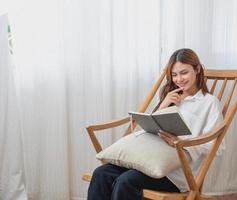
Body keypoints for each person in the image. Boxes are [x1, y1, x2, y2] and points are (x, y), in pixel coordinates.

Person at [87, 48, 224, 200]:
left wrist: (181, 143)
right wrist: (163, 105)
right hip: (149, 161)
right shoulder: (171, 97)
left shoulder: (209, 103)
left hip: (177, 172)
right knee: (101, 173)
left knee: (125, 181)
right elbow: (151, 130)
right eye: (174, 75)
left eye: (184, 72)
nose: (179, 79)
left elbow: (216, 146)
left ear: (197, 69)